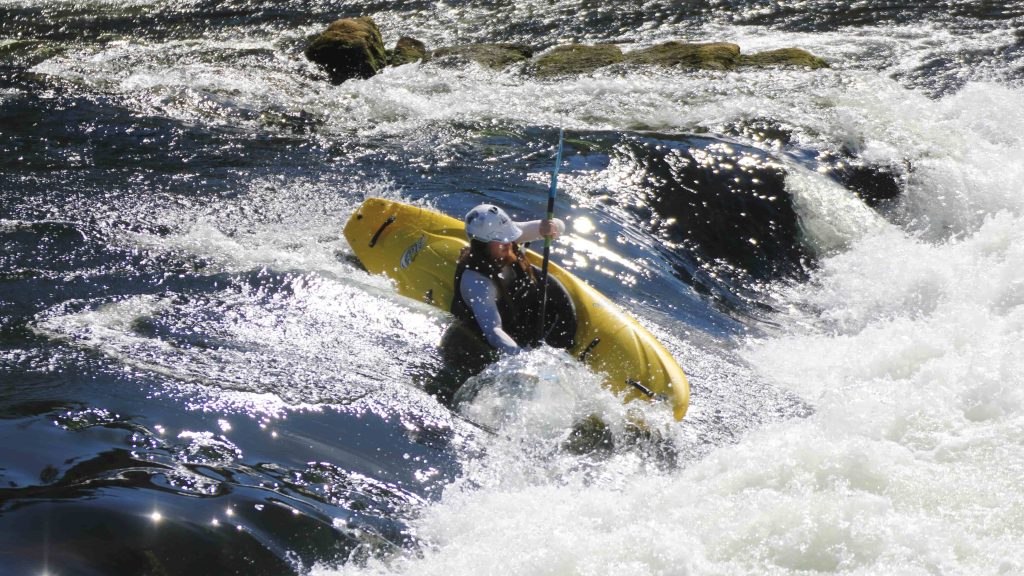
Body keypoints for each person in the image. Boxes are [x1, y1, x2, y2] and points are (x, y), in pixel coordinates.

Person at [448, 203, 577, 356]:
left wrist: (551, 226)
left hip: (521, 315)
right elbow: (494, 331)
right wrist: (521, 357)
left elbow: (558, 226)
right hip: (484, 339)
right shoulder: (476, 282)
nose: (509, 243)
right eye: (501, 239)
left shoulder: (504, 238)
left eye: (508, 236)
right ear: (481, 243)